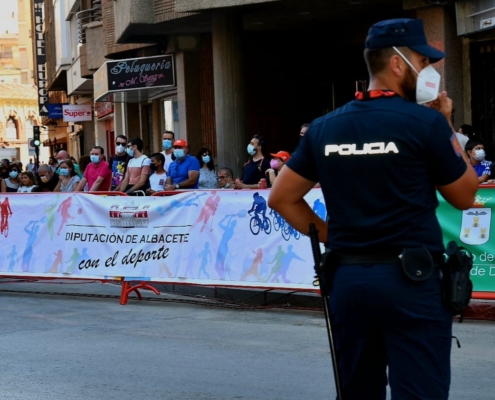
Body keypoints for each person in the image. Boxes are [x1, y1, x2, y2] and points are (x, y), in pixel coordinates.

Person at [268, 18, 479, 400]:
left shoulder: (324, 127)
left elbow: (281, 198)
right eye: (424, 60)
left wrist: (335, 238)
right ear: (399, 63)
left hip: (348, 280)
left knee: (358, 390)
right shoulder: (426, 124)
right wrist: (446, 123)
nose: (429, 71)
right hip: (410, 281)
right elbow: (465, 195)